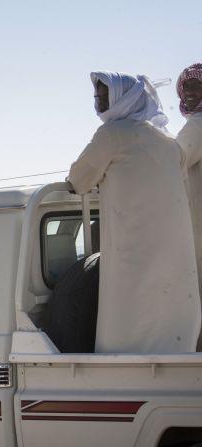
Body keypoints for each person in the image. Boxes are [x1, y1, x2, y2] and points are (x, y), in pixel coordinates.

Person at [67, 71, 201, 353]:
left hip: (133, 253)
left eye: (105, 97)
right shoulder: (165, 140)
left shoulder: (113, 133)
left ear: (123, 99)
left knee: (128, 326)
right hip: (173, 255)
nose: (99, 103)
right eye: (97, 97)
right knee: (166, 321)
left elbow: (79, 179)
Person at [176, 63, 202, 350]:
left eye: (197, 86)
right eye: (186, 87)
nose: (189, 93)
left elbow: (172, 162)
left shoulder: (197, 125)